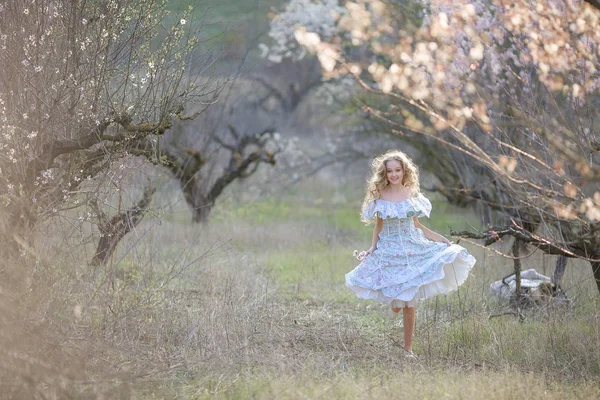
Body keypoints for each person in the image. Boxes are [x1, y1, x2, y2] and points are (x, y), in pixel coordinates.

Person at [346, 150, 476, 357]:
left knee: (410, 302)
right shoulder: (380, 195)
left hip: (412, 246)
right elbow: (378, 226)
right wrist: (373, 248)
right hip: (389, 248)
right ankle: (394, 307)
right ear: (385, 173)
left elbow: (417, 225)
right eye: (390, 171)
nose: (394, 174)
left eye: (398, 170)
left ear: (404, 171)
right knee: (398, 301)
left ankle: (408, 350)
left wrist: (439, 238)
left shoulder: (411, 194)